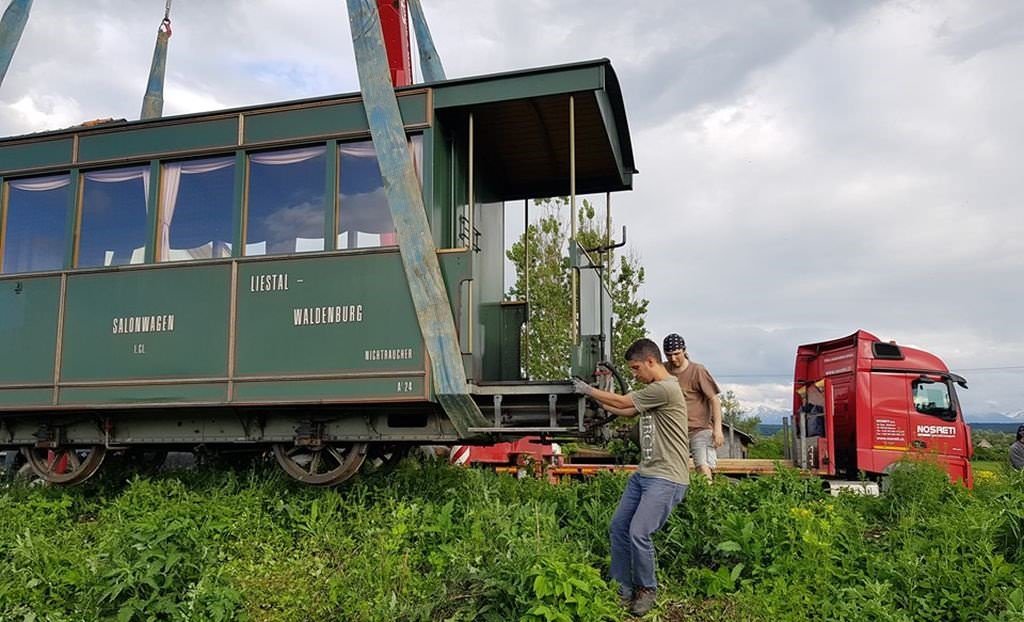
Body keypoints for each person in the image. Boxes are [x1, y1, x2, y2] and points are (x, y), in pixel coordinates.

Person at [573, 338, 688, 616]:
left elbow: (624, 399)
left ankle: (646, 589)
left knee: (639, 532)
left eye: (636, 368)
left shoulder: (665, 388)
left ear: (651, 361)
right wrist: (593, 398)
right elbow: (625, 409)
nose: (635, 374)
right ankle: (622, 587)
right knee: (619, 527)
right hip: (645, 474)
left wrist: (589, 389)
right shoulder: (653, 391)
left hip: (667, 477)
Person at [662, 333, 723, 482]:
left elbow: (714, 399)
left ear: (684, 350)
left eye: (677, 354)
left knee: (703, 465)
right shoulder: (663, 370)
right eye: (669, 355)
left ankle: (708, 499)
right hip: (674, 430)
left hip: (699, 429)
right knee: (670, 469)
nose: (673, 358)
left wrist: (718, 429)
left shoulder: (697, 370)